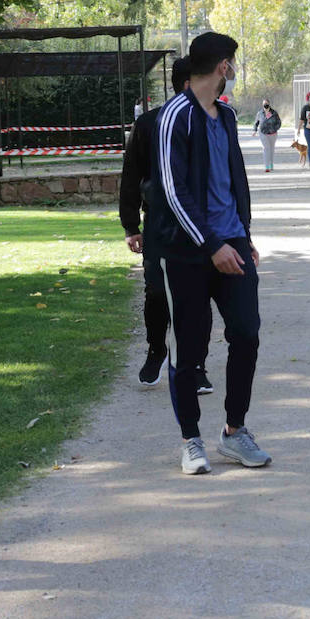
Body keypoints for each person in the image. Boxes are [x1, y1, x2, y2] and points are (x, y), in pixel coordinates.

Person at [154, 32, 270, 474]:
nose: (235, 72)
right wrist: (211, 244)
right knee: (189, 346)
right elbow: (172, 189)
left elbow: (230, 179)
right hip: (186, 251)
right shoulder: (175, 116)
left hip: (231, 241)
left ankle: (234, 432)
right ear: (223, 66)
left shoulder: (224, 116)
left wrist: (242, 234)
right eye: (234, 64)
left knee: (246, 332)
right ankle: (191, 440)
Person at [119, 56, 213, 394]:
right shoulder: (148, 124)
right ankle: (157, 348)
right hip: (160, 224)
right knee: (158, 292)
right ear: (187, 84)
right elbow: (131, 176)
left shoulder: (211, 122)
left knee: (199, 297)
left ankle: (196, 364)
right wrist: (131, 225)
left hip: (203, 226)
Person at [253, 100, 281, 172]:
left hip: (273, 133)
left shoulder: (274, 113)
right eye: (264, 104)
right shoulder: (260, 113)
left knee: (271, 149)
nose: (266, 105)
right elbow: (256, 122)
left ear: (269, 104)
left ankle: (271, 164)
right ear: (262, 105)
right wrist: (254, 130)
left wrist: (275, 129)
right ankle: (267, 166)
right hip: (263, 133)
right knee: (266, 148)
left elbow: (279, 122)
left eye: (267, 104)